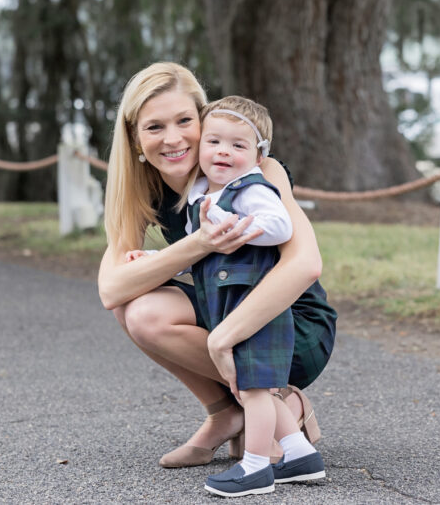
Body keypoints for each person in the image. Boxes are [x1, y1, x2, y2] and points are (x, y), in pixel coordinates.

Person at [97, 63, 337, 489]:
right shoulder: (143, 189)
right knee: (136, 306)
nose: (172, 138)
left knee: (147, 305)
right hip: (227, 306)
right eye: (155, 126)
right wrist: (198, 244)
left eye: (184, 121)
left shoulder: (253, 170)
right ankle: (226, 412)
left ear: (204, 119)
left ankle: (283, 403)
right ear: (135, 137)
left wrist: (222, 337)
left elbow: (305, 265)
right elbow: (111, 289)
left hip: (289, 326)